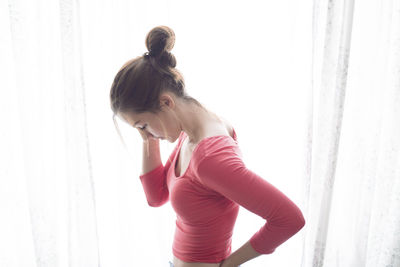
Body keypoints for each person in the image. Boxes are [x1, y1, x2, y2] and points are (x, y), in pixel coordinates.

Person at [109, 25, 306, 267]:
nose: (145, 135)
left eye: (142, 126)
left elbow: (289, 219)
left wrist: (228, 265)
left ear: (166, 102)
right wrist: (149, 134)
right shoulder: (191, 132)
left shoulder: (210, 158)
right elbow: (156, 196)